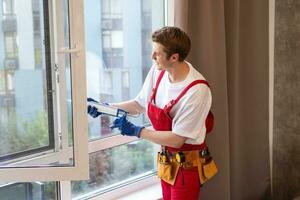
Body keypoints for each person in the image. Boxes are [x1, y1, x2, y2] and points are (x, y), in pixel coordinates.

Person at [88, 26, 213, 200]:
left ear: (174, 57)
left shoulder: (197, 91)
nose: (152, 57)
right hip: (166, 161)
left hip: (187, 166)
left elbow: (177, 140)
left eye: (157, 53)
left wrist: (138, 131)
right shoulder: (159, 71)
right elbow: (139, 104)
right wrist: (105, 108)